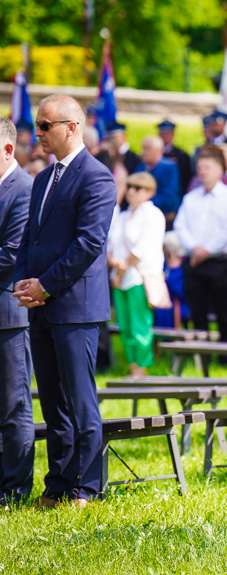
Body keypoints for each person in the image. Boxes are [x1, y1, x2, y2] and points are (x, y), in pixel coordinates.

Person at [12, 94, 117, 507]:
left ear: (73, 127)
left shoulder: (96, 177)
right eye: (37, 126)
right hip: (40, 305)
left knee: (79, 399)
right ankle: (58, 484)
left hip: (75, 306)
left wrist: (46, 285)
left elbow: (89, 243)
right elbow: (29, 240)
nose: (37, 134)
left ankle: (88, 486)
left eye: (45, 125)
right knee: (53, 402)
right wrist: (24, 282)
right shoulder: (41, 179)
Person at [173, 144, 227, 341]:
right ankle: (200, 355)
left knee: (223, 310)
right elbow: (181, 226)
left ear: (220, 170)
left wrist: (206, 250)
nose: (202, 172)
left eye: (207, 167)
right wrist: (194, 249)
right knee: (197, 310)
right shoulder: (191, 198)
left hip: (219, 263)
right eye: (200, 167)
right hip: (194, 262)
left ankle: (226, 354)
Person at [0, 118, 34, 505]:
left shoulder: (23, 189)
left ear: (8, 150)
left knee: (13, 405)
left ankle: (14, 490)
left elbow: (11, 254)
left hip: (9, 314)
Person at [106, 172, 166, 377]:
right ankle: (133, 366)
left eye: (138, 188)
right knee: (125, 325)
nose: (132, 191)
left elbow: (144, 246)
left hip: (139, 276)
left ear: (149, 192)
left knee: (140, 325)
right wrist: (115, 263)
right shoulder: (122, 215)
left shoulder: (153, 214)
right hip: (119, 276)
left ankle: (141, 368)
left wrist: (123, 267)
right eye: (130, 186)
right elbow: (109, 244)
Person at [134, 136, 181, 225]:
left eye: (147, 149)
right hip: (142, 216)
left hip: (164, 218)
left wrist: (142, 203)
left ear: (159, 150)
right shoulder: (141, 167)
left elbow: (168, 197)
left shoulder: (169, 168)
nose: (143, 152)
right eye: (143, 148)